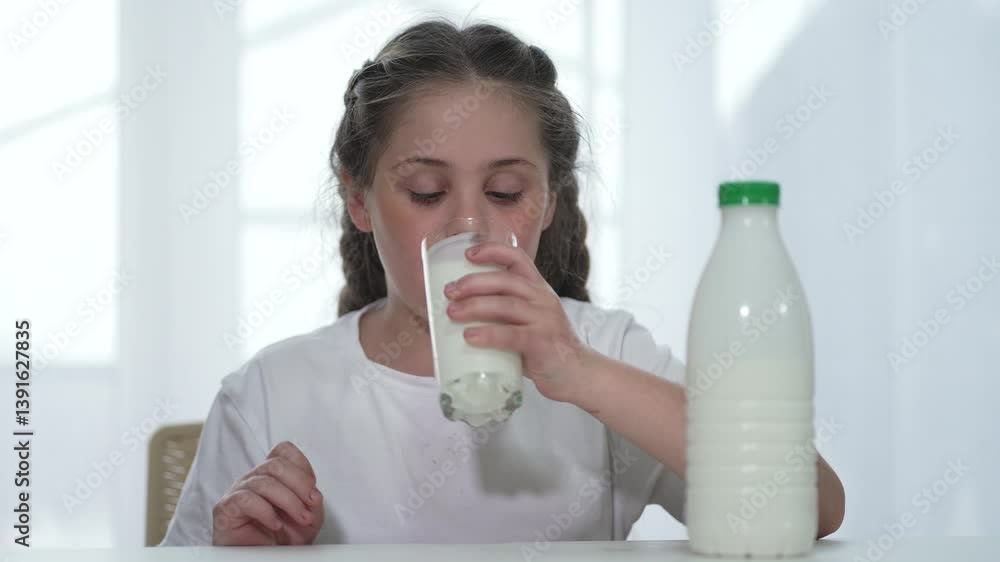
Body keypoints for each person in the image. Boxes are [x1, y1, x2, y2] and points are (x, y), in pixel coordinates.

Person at [159, 19, 845, 547]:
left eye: (506, 192)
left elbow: (812, 504)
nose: (469, 225)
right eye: (426, 192)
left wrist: (580, 370)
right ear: (359, 198)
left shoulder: (604, 353)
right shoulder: (272, 394)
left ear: (547, 202)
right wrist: (234, 554)